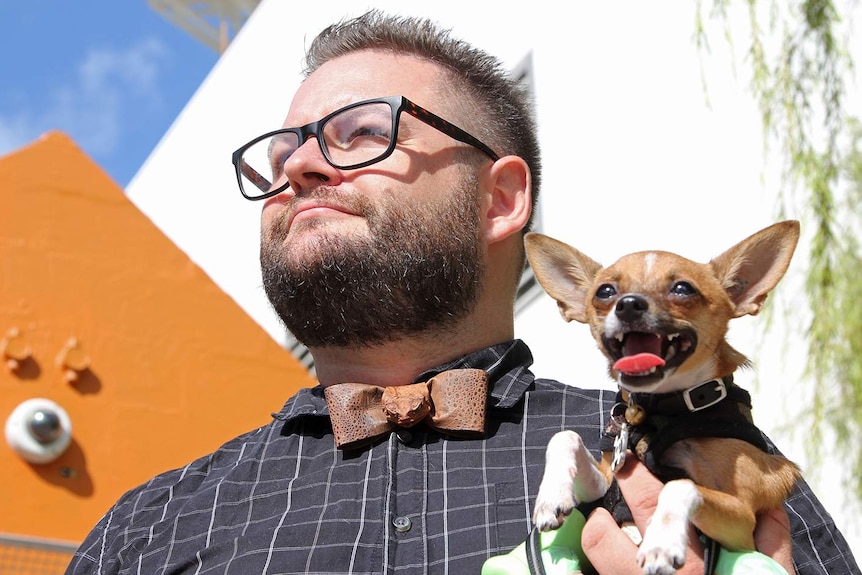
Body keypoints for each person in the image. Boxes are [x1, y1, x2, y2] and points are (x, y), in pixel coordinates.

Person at [66, 10, 859, 575]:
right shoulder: (143, 531)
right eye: (285, 151)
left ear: (500, 200)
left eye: (359, 131)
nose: (299, 166)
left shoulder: (713, 464)